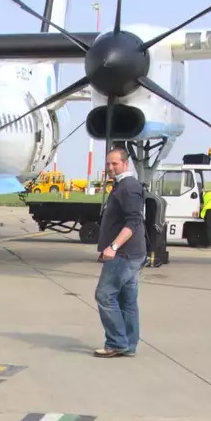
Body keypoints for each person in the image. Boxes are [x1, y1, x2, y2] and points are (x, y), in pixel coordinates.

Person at [92, 147, 148, 358]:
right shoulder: (122, 186)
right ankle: (128, 344)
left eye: (114, 163)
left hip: (124, 254)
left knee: (105, 295)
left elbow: (134, 221)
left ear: (125, 164)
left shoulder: (128, 188)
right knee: (127, 300)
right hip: (131, 252)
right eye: (108, 164)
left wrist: (113, 246)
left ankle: (116, 343)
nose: (110, 167)